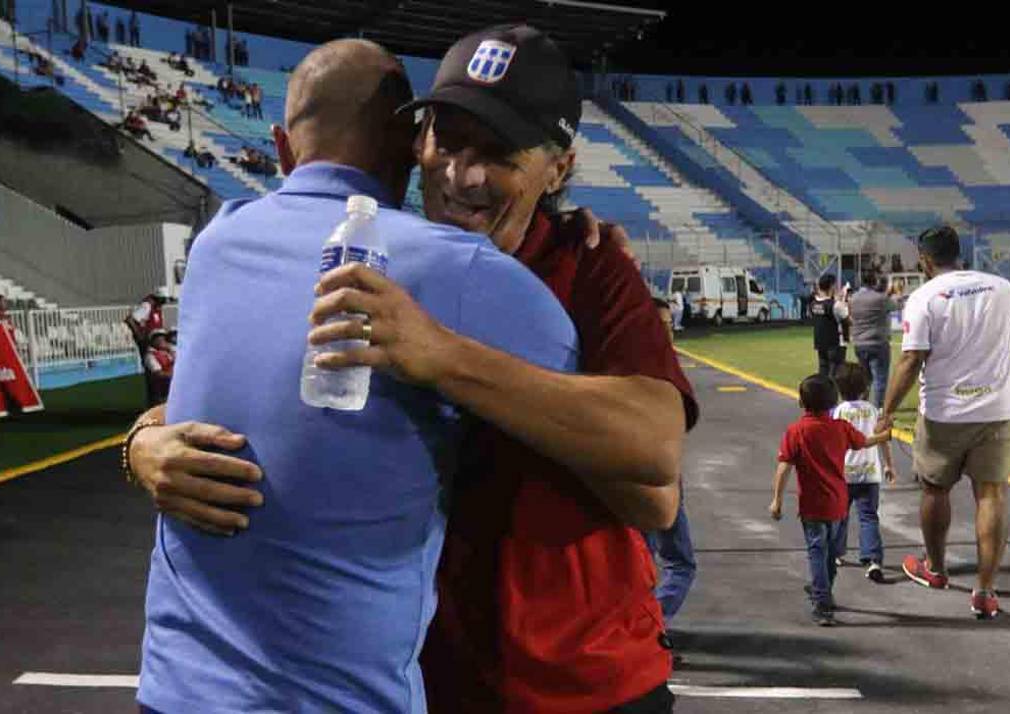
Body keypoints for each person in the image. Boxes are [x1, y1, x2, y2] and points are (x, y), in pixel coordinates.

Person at [129, 25, 695, 714]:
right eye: (446, 142)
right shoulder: (366, 257)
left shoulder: (591, 268)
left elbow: (655, 488)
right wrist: (144, 445)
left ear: (559, 169)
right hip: (438, 678)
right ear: (410, 146)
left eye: (498, 153)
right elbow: (244, 390)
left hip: (580, 683)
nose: (462, 175)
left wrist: (442, 357)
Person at [877, 225, 1010, 620]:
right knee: (991, 494)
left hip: (945, 413)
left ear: (924, 259)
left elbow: (910, 360)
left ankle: (935, 569)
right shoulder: (1003, 288)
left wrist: (886, 409)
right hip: (997, 409)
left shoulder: (924, 297)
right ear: (960, 253)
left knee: (935, 489)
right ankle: (985, 591)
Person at [770, 374, 891, 626]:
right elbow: (864, 442)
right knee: (831, 552)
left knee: (817, 551)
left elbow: (784, 468)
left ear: (802, 403)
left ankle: (822, 601)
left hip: (812, 506)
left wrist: (777, 500)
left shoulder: (796, 431)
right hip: (838, 503)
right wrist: (884, 436)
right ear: (833, 401)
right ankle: (822, 588)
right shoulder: (841, 428)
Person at [645, 298, 697, 623]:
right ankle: (647, 630)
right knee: (673, 563)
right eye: (658, 325)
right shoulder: (652, 372)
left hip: (667, 472)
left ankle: (646, 628)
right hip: (648, 475)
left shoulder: (665, 366)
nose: (667, 332)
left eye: (669, 325)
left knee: (667, 562)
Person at [832, 362, 898, 583]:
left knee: (839, 516)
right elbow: (883, 440)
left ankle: (835, 553)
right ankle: (873, 560)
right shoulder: (873, 411)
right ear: (865, 388)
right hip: (869, 474)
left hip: (843, 474)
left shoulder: (838, 412)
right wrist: (888, 464)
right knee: (869, 517)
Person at [849, 270, 903, 408]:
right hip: (877, 343)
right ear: (874, 281)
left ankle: (863, 405)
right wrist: (898, 292)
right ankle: (877, 408)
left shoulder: (853, 298)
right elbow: (897, 306)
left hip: (860, 343)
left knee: (865, 378)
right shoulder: (880, 298)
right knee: (880, 379)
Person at [125, 289, 167, 407]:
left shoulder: (156, 308)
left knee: (157, 369)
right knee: (152, 371)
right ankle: (154, 402)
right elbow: (130, 320)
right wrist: (140, 336)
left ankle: (158, 400)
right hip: (148, 342)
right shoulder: (147, 306)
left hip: (154, 342)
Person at [809, 273, 849, 377]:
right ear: (831, 286)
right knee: (836, 377)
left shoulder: (813, 304)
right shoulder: (835, 305)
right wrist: (844, 302)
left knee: (823, 374)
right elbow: (847, 320)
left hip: (820, 344)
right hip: (835, 344)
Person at [142, 330, 174, 406]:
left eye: (163, 339)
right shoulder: (150, 356)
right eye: (159, 339)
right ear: (153, 341)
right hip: (161, 392)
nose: (162, 341)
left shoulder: (167, 353)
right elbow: (159, 374)